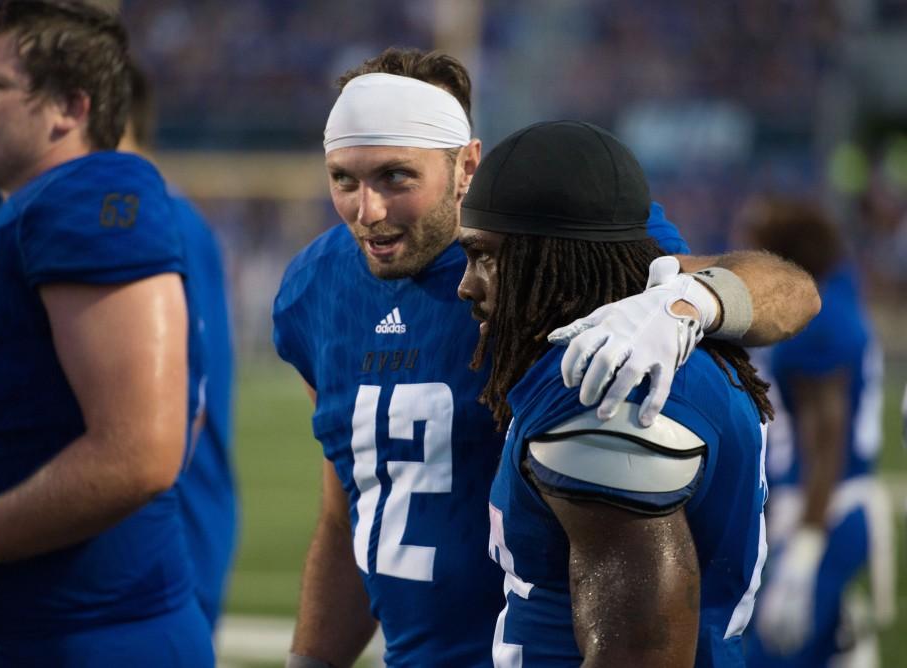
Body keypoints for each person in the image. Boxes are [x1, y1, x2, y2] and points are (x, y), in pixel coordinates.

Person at [272, 47, 819, 667]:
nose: (366, 210)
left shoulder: (553, 254)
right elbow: (349, 508)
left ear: (465, 166)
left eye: (396, 176)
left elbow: (790, 291)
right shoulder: (314, 288)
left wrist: (691, 301)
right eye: (344, 179)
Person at [0, 2, 212, 665]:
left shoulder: (92, 198)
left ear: (69, 108)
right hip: (2, 628)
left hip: (93, 637)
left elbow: (141, 452)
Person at [457, 119, 772, 666]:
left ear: (556, 261)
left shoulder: (604, 393)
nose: (468, 285)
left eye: (486, 256)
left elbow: (639, 652)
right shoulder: (676, 344)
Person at [739, 197, 895, 667]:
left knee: (770, 656)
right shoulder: (836, 295)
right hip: (828, 506)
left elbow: (825, 440)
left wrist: (804, 552)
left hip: (820, 510)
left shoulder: (817, 320)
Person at [119, 60, 238, 632]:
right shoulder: (163, 214)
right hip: (175, 536)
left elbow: (173, 413)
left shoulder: (141, 219)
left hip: (157, 549)